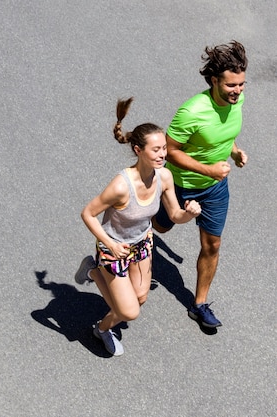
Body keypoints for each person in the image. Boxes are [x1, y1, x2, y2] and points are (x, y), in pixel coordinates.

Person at [75, 97, 201, 356]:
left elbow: (175, 214)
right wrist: (109, 244)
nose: (163, 154)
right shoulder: (121, 186)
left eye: (164, 148)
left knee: (141, 297)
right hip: (114, 247)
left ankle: (102, 327)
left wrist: (188, 214)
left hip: (142, 243)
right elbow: (88, 213)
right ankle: (94, 273)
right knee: (129, 311)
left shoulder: (164, 177)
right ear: (138, 151)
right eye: (156, 150)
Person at [152, 40, 248, 329]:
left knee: (213, 244)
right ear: (214, 81)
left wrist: (234, 150)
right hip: (179, 186)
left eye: (242, 84)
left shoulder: (237, 101)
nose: (238, 91)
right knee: (160, 227)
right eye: (231, 85)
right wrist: (208, 168)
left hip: (215, 188)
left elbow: (223, 134)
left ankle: (199, 304)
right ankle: (133, 231)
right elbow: (170, 150)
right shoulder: (191, 111)